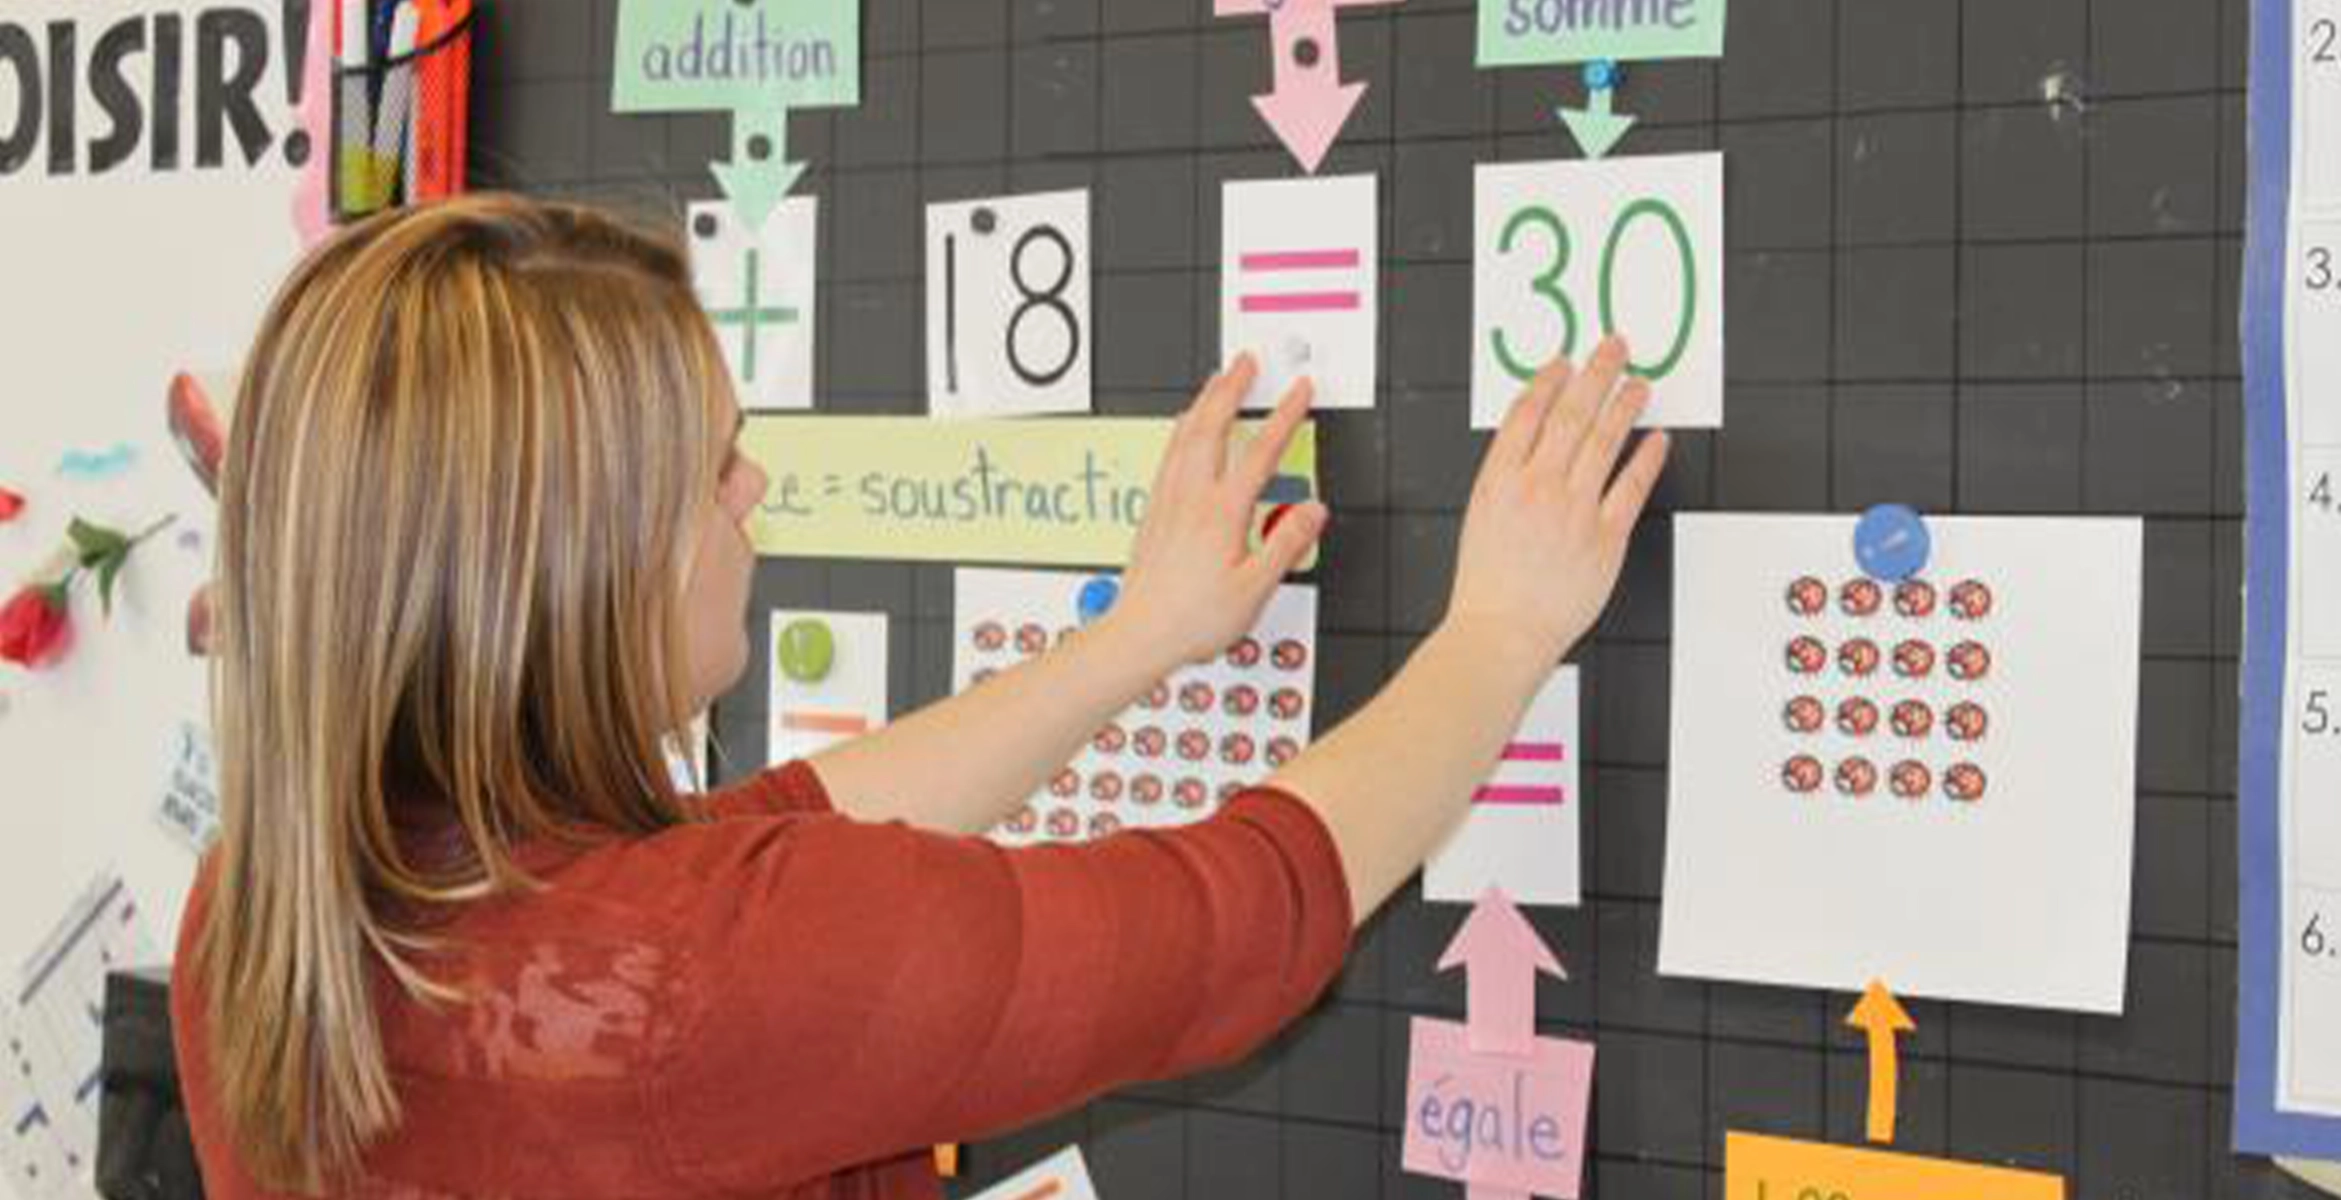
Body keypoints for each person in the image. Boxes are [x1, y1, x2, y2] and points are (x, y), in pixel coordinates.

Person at [172, 195, 1667, 1197]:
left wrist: (1130, 646)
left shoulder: (270, 900)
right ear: (575, 575)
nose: (754, 490)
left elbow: (766, 838)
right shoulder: (696, 989)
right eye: (715, 467)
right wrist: (1501, 632)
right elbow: (1235, 921)